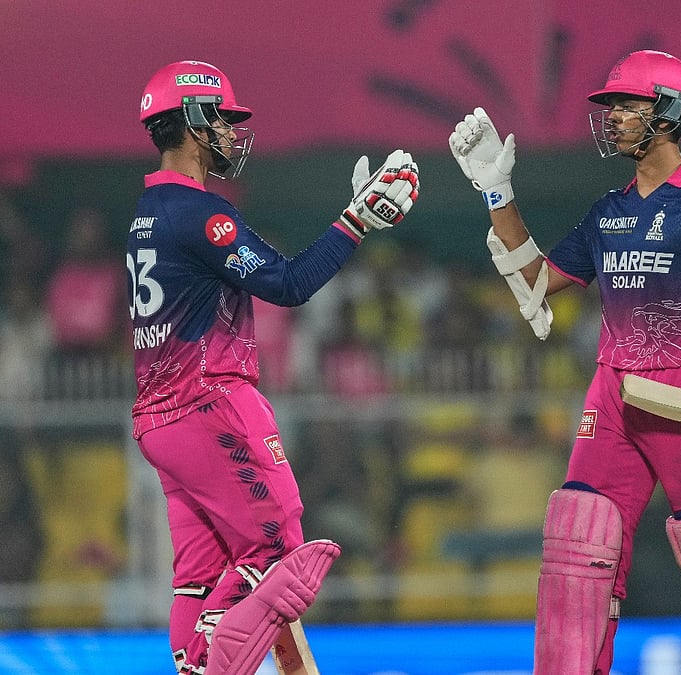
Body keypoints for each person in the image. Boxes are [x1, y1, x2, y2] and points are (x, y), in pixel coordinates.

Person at [450, 49, 681, 675]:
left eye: (625, 105)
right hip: (613, 393)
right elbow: (536, 282)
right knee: (576, 543)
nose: (610, 117)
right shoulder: (608, 213)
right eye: (609, 106)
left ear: (667, 112)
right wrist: (497, 194)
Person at [129, 60, 419, 674]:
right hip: (208, 403)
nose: (233, 134)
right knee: (278, 543)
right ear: (192, 119)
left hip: (161, 422)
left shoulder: (146, 215)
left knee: (199, 576)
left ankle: (193, 662)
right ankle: (216, 663)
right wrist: (357, 221)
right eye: (224, 120)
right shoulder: (199, 214)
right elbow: (287, 284)